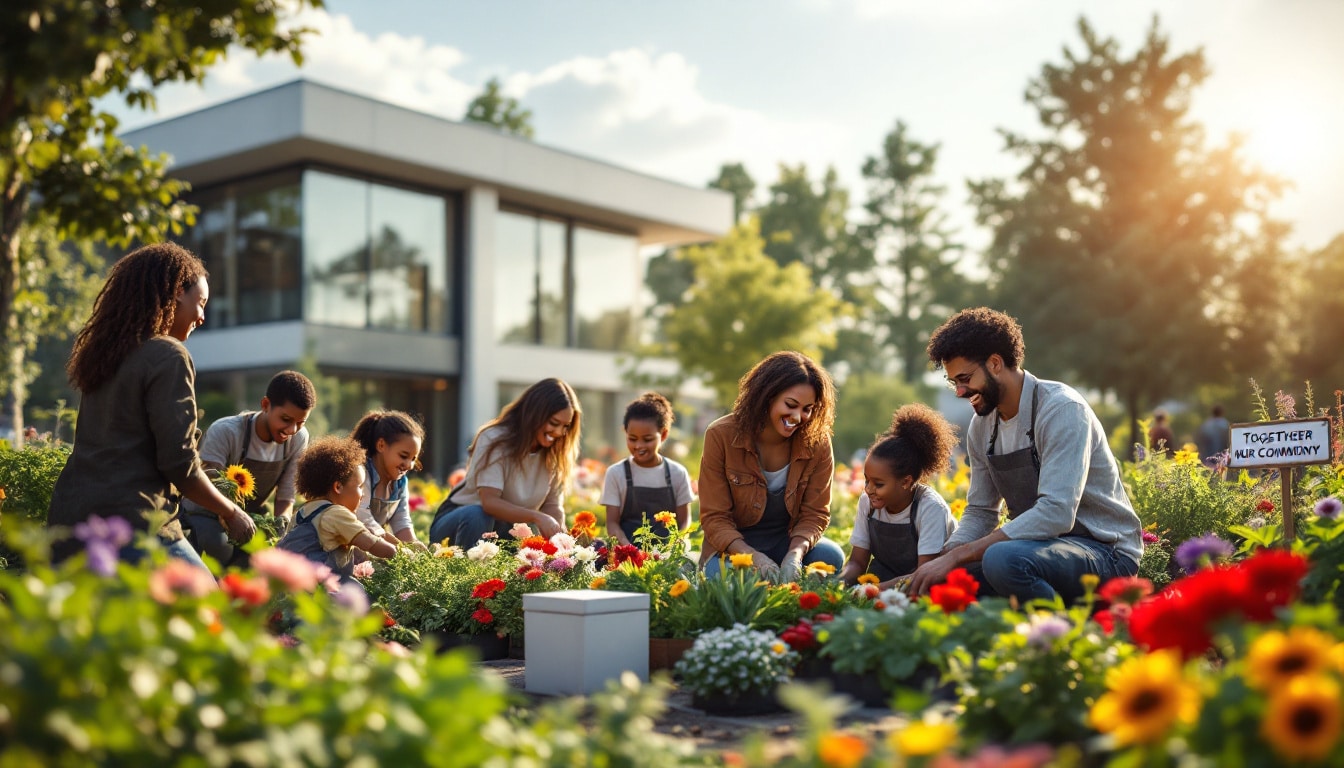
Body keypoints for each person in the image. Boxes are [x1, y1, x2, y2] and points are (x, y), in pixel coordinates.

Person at [909, 307, 1142, 604]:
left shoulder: (1061, 410)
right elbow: (981, 511)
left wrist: (960, 555)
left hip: (1104, 552)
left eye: (965, 378)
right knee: (947, 581)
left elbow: (1056, 512)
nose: (960, 391)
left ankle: (1063, 635)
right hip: (1036, 550)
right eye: (954, 382)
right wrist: (945, 557)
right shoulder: (981, 427)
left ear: (994, 363)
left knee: (1001, 560)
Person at [49, 243, 255, 570]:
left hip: (69, 522)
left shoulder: (107, 355)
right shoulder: (168, 355)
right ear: (175, 294)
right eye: (200, 303)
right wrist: (231, 511)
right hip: (133, 526)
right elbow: (180, 465)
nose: (202, 316)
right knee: (210, 612)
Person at [699, 351, 846, 581]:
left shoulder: (817, 442)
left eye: (807, 409)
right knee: (725, 578)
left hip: (785, 543)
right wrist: (754, 558)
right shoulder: (721, 436)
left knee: (830, 556)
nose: (798, 416)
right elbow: (714, 519)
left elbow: (815, 513)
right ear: (767, 396)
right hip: (733, 550)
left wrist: (795, 555)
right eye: (791, 404)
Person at [181, 371, 316, 567]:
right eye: (285, 419)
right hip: (206, 511)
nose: (292, 430)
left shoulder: (298, 438)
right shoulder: (226, 431)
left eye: (300, 422)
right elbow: (207, 485)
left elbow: (286, 497)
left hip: (250, 516)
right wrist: (232, 515)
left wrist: (280, 530)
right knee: (220, 547)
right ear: (265, 405)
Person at [429, 378, 582, 546]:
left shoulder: (554, 452)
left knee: (527, 540)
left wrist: (561, 540)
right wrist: (536, 516)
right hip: (460, 521)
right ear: (535, 414)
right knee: (478, 514)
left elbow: (552, 507)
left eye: (565, 426)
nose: (559, 432)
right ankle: (468, 571)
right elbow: (490, 503)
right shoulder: (495, 439)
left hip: (506, 530)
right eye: (554, 423)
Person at [840, 404, 959, 589]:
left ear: (905, 482)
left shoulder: (930, 508)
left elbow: (925, 575)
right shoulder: (868, 503)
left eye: (878, 484)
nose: (869, 489)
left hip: (928, 583)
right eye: (866, 480)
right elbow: (857, 562)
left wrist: (872, 591)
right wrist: (837, 584)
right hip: (887, 577)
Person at [277, 435, 396, 578]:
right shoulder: (337, 513)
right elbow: (377, 548)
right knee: (363, 596)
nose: (363, 494)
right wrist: (396, 550)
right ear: (338, 487)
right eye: (359, 486)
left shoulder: (301, 513)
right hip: (327, 585)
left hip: (297, 582)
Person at [601, 392, 696, 546]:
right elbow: (612, 524)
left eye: (647, 439)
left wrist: (674, 548)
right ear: (625, 433)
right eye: (632, 439)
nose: (639, 446)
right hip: (627, 553)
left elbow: (684, 521)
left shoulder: (677, 473)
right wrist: (629, 551)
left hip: (668, 554)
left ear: (663, 434)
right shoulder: (616, 473)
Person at [348, 410, 430, 552]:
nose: (409, 465)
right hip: (347, 545)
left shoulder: (399, 483)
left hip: (373, 545)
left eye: (413, 459)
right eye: (403, 456)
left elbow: (401, 521)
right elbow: (363, 519)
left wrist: (415, 548)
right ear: (381, 445)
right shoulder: (361, 473)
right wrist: (399, 548)